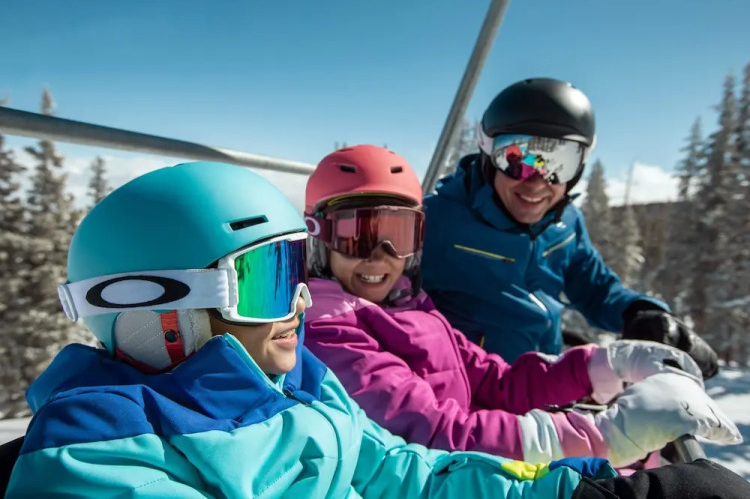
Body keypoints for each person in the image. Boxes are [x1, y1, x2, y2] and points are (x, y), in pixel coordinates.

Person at [5, 161, 654, 499]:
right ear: (159, 309)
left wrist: (587, 491)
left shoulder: (302, 382)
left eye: (296, 269)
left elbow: (409, 474)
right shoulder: (99, 452)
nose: (299, 302)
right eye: (266, 278)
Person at [302, 145, 747, 498]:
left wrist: (601, 365)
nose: (380, 257)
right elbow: (435, 433)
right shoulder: (330, 332)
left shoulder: (410, 304)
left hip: (478, 467)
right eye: (357, 236)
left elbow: (494, 379)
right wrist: (606, 435)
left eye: (397, 235)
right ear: (321, 236)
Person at [418, 78, 719, 379]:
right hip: (468, 393)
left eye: (557, 165)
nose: (536, 182)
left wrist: (639, 312)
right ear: (488, 156)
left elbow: (593, 285)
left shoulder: (565, 223)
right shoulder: (435, 222)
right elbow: (392, 309)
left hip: (549, 383)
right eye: (517, 160)